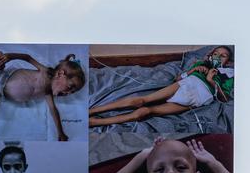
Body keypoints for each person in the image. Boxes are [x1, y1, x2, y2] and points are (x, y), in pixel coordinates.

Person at [88, 46, 234, 128]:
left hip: (200, 98)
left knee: (145, 111)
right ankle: (93, 111)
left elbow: (224, 98)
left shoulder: (227, 76)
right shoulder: (200, 65)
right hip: (186, 84)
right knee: (140, 101)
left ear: (228, 62)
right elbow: (177, 79)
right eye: (215, 53)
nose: (217, 57)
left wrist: (211, 81)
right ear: (210, 55)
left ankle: (97, 122)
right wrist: (192, 71)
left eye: (223, 56)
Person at [0, 50, 85, 141]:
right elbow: (27, 57)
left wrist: (60, 133)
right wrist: (10, 56)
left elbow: (54, 111)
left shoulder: (47, 92)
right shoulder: (45, 72)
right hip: (4, 75)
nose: (68, 93)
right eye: (70, 88)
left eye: (72, 93)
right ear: (61, 74)